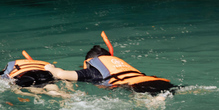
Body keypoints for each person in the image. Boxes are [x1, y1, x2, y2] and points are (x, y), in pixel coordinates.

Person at [44, 31, 174, 95]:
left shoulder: (92, 71)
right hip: (161, 83)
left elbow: (61, 74)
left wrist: (50, 67)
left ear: (88, 62)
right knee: (161, 96)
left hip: (140, 89)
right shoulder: (122, 65)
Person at [0, 50, 71, 98]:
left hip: (27, 77)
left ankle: (44, 93)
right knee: (50, 85)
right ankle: (62, 94)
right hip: (45, 74)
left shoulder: (9, 68)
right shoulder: (41, 64)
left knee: (31, 87)